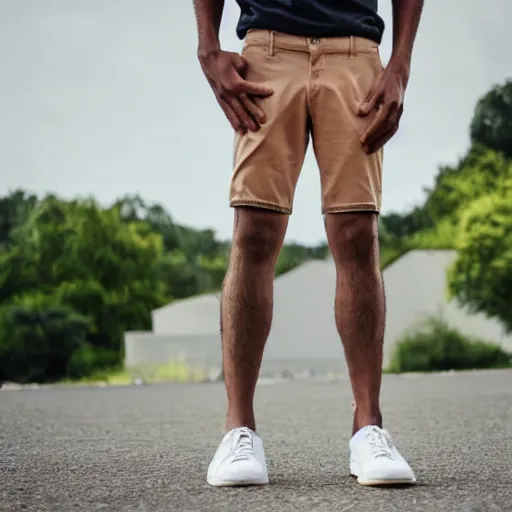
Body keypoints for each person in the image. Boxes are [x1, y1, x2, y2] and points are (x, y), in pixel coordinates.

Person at [193, 0, 424, 487]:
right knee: (254, 230)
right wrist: (208, 46)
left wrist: (400, 63)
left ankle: (368, 429)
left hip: (356, 51)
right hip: (267, 51)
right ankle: (239, 431)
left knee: (357, 232)